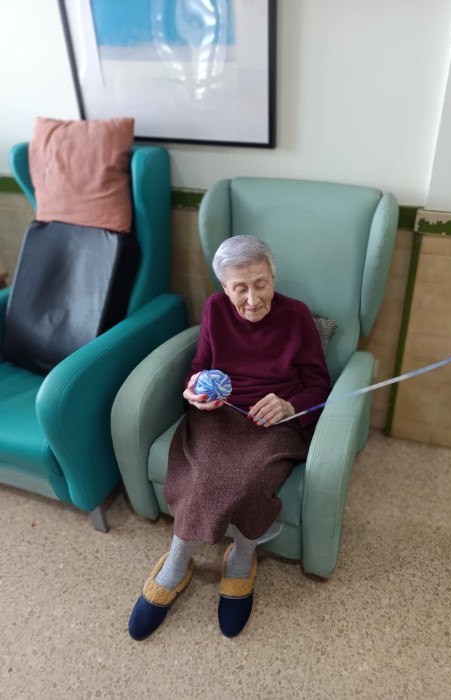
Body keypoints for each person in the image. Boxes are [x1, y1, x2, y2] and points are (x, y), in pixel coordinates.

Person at [128, 235, 331, 640]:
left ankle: (240, 561)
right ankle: (176, 564)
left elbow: (319, 385)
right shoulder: (215, 309)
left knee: (252, 480)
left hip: (274, 421)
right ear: (224, 287)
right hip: (221, 414)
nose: (253, 299)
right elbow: (199, 368)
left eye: (261, 284)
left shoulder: (297, 316)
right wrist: (192, 391)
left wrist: (289, 405)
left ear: (273, 276)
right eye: (240, 288)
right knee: (202, 477)